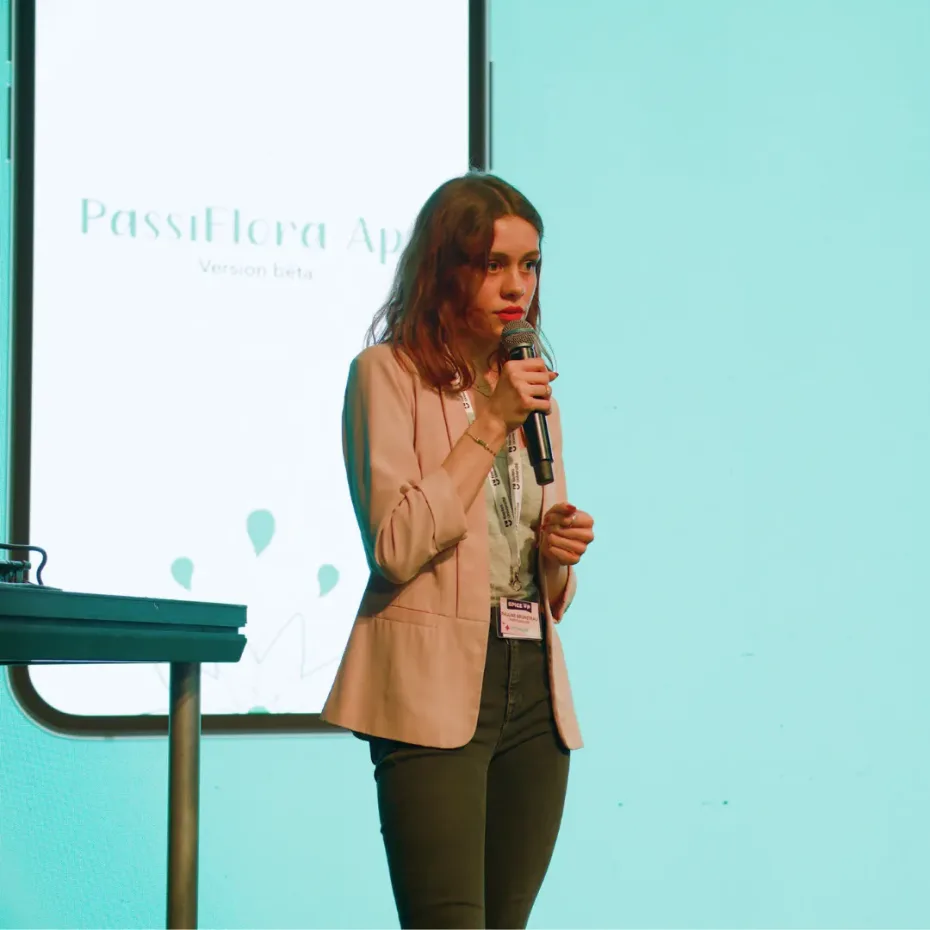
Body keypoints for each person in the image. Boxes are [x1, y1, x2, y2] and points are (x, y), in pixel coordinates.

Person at [321, 172, 596, 929]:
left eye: (530, 264)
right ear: (445, 269)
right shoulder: (386, 376)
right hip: (433, 686)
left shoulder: (533, 391)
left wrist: (557, 553)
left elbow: (546, 585)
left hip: (532, 686)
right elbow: (396, 545)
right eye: (493, 264)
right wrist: (490, 422)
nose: (517, 286)